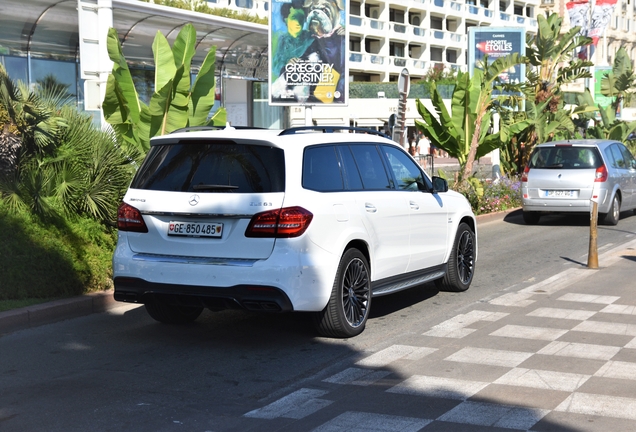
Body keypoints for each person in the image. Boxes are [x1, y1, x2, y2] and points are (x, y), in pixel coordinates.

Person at [271, 1, 313, 83]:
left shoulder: (310, 37)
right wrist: (287, 64)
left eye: (301, 18)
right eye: (294, 17)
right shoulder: (281, 41)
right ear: (286, 19)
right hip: (288, 87)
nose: (298, 22)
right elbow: (275, 67)